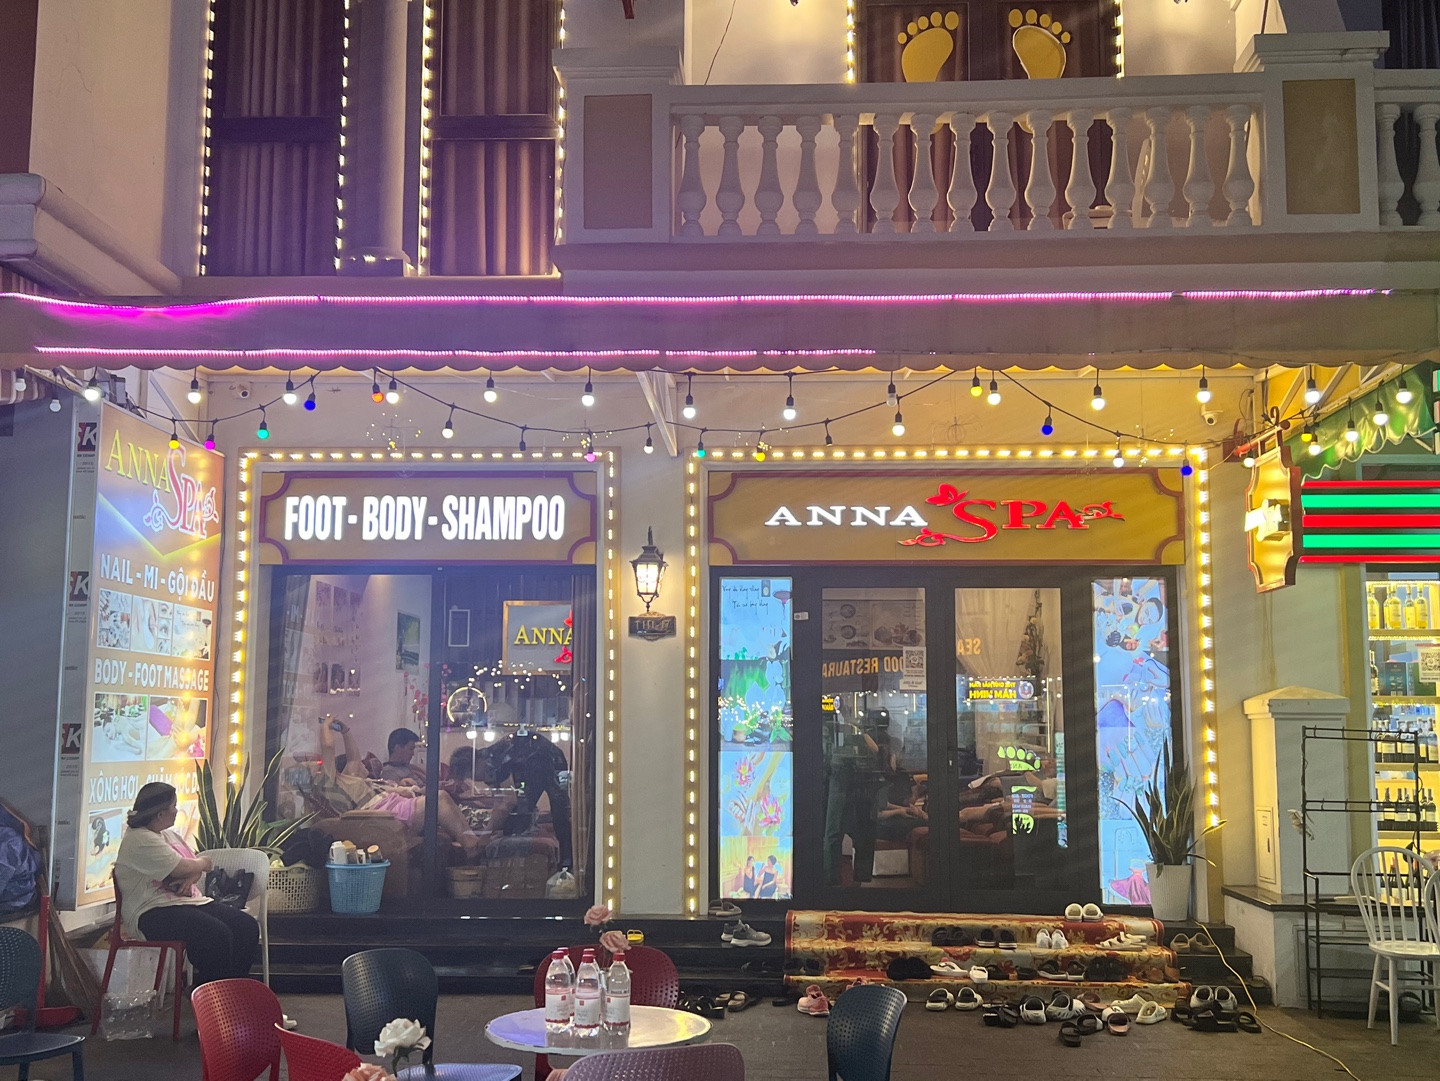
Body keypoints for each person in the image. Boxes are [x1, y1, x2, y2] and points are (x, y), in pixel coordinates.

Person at [113, 782, 259, 986]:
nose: (176, 810)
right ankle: (210, 993)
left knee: (246, 926)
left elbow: (195, 866)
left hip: (186, 902)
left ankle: (233, 989)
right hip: (152, 911)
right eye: (173, 806)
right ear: (160, 813)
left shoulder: (168, 835)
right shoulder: (140, 839)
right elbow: (188, 866)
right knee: (215, 933)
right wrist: (197, 866)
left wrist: (191, 875)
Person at [303, 716, 482, 858]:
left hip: (391, 804)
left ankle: (470, 841)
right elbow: (328, 746)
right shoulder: (327, 783)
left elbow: (353, 758)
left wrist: (346, 731)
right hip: (382, 812)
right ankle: (471, 845)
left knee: (441, 798)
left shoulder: (347, 778)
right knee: (439, 798)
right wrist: (325, 725)